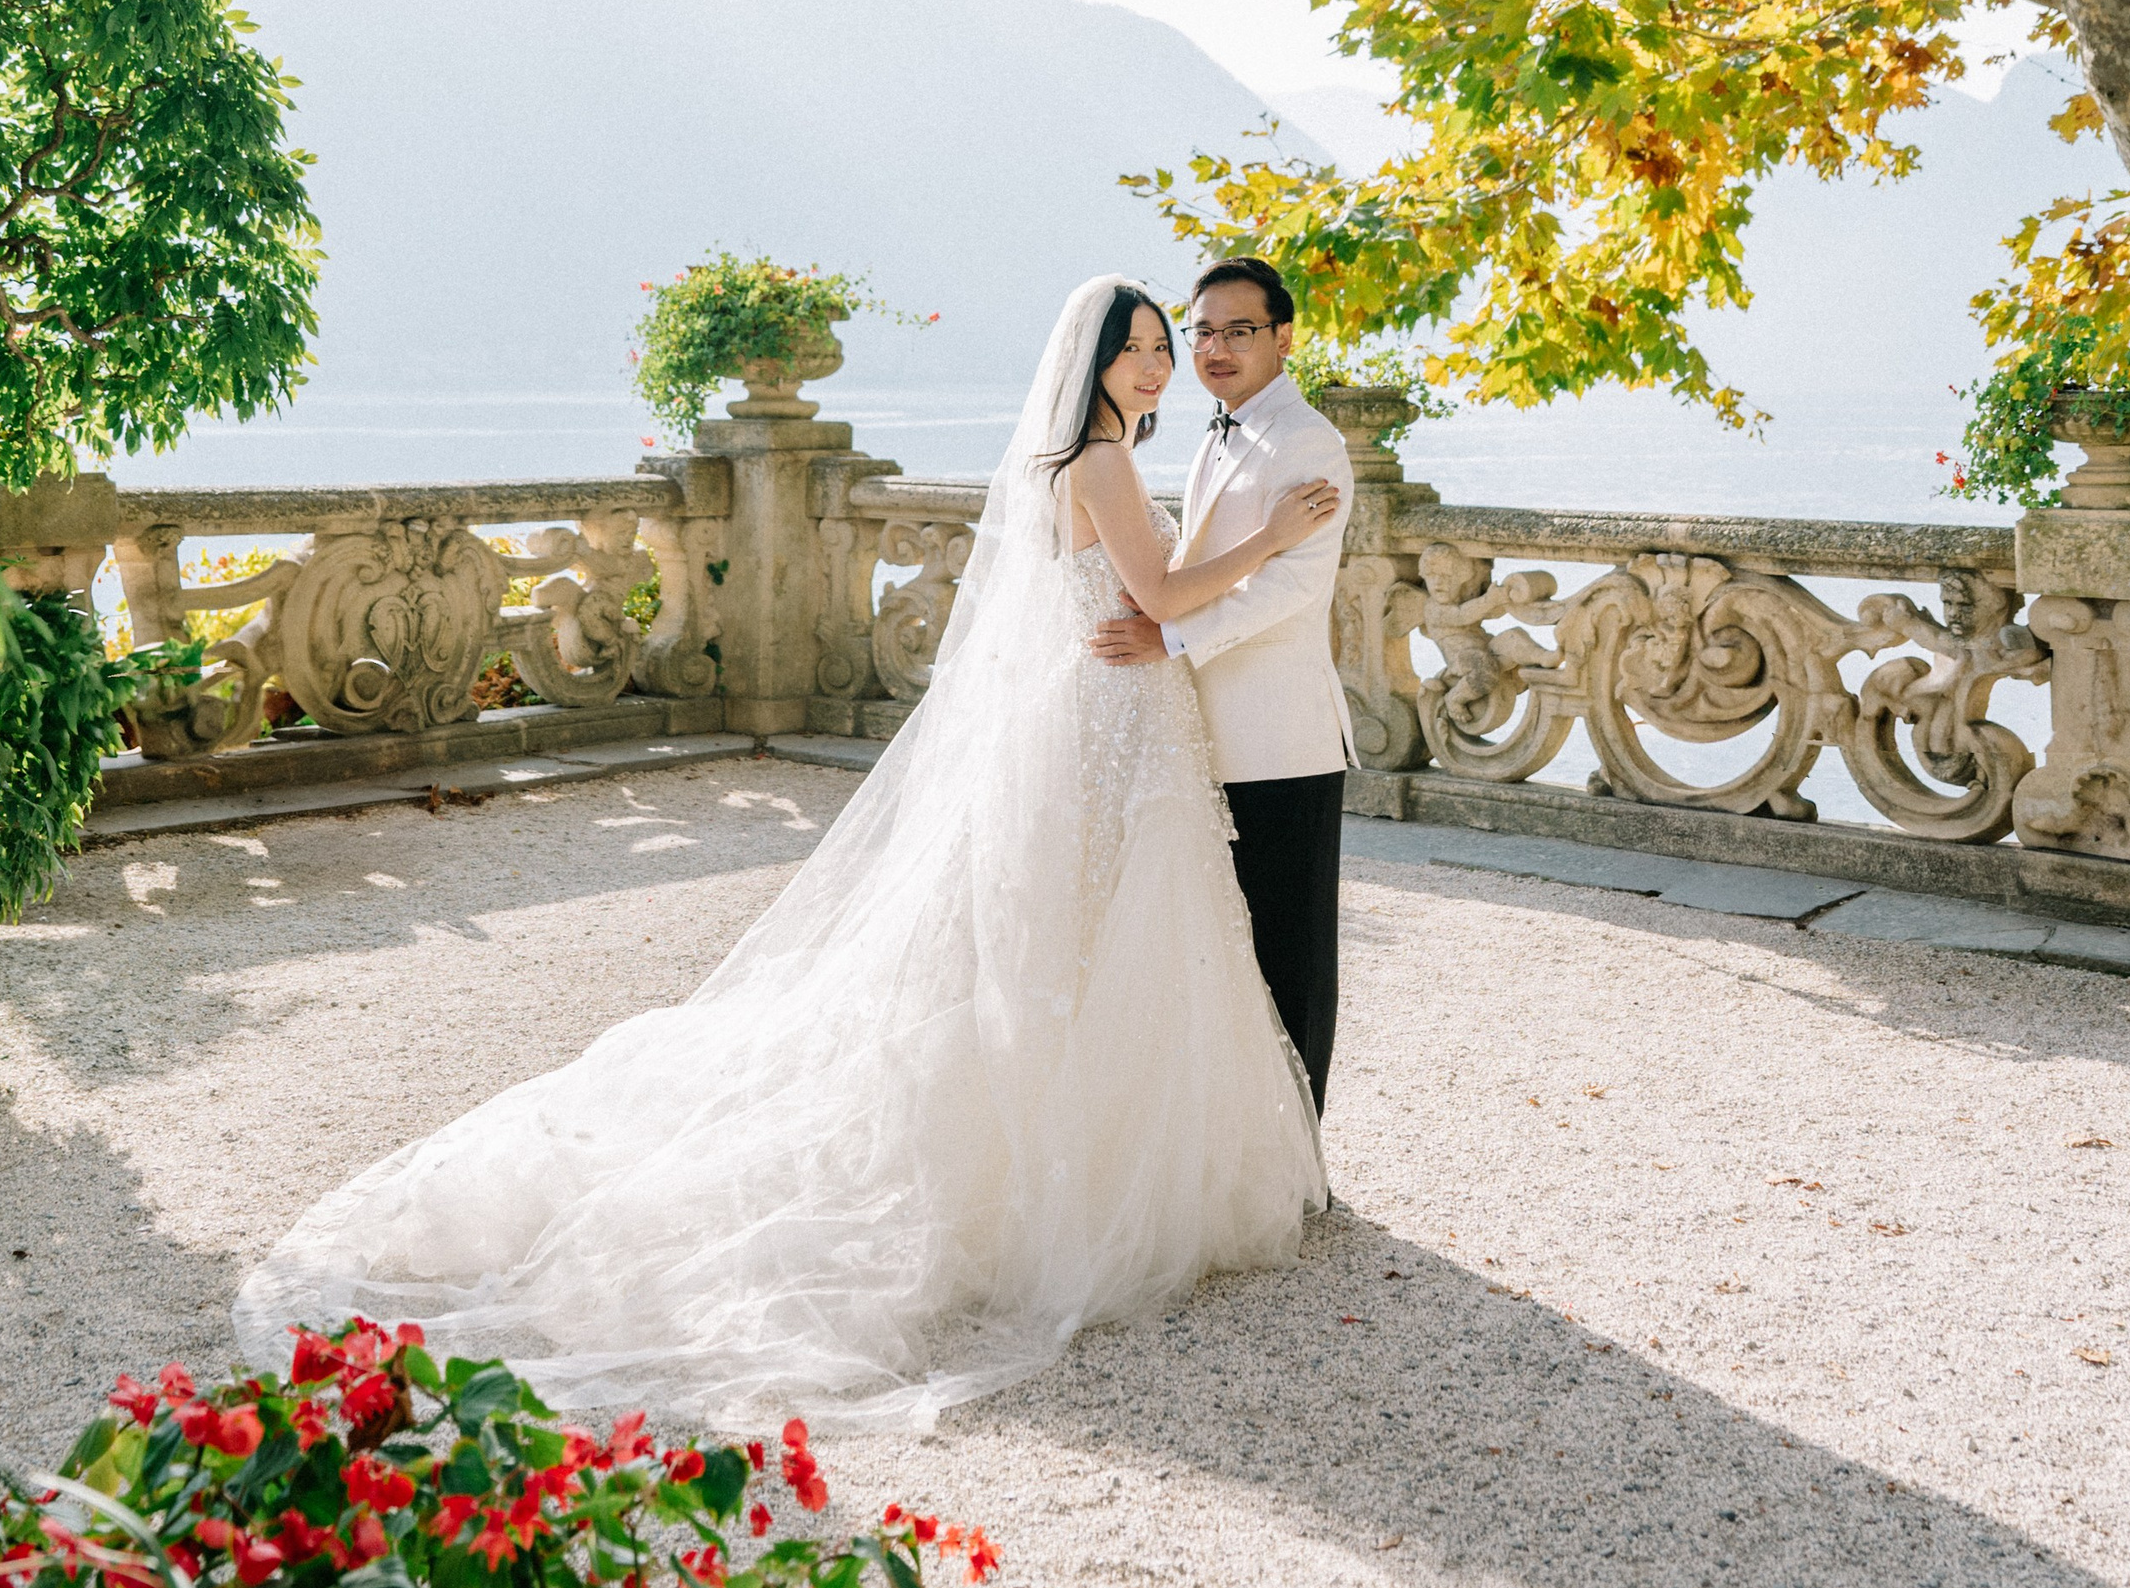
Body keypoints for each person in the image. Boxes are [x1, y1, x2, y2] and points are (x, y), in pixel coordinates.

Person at [232, 277, 1332, 1428]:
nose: (1157, 365)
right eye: (1138, 348)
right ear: (1091, 361)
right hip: (1110, 716)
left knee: (1077, 930)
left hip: (1096, 712)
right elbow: (1158, 593)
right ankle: (1086, 1173)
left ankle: (1070, 1151)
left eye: (1164, 347)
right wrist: (1273, 537)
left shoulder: (1079, 460)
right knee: (1105, 928)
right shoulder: (1100, 463)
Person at [1089, 258, 1357, 1111]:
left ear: (1284, 338)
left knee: (1290, 957)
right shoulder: (1218, 430)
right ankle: (1238, 1140)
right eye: (1202, 331)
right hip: (1203, 733)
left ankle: (1299, 1147)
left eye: (1239, 330)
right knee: (1222, 957)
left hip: (1279, 739)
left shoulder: (1309, 441)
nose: (1215, 348)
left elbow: (1292, 588)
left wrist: (1167, 637)